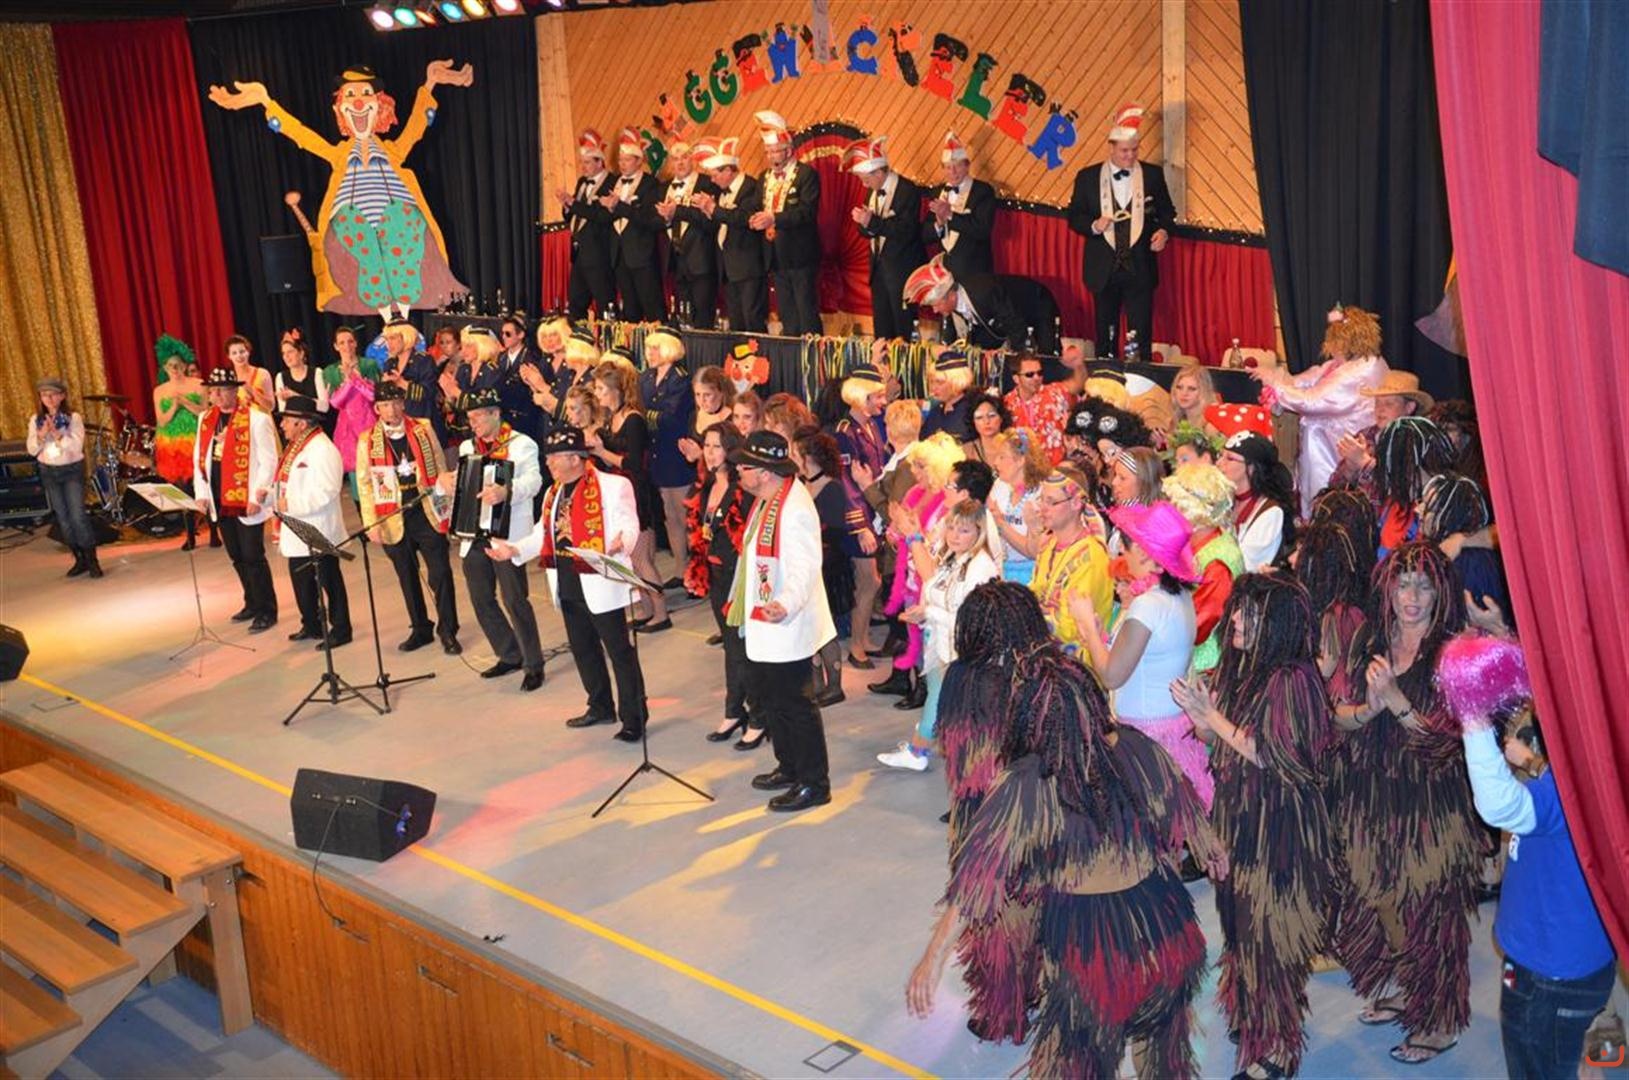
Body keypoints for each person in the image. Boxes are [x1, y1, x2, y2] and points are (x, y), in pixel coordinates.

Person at [909, 591, 1225, 1078]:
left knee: (1077, 1062)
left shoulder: (1027, 783)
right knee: (1164, 1062)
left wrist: (932, 959)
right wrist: (1214, 851)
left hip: (1093, 956)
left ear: (1029, 718)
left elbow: (975, 888)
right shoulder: (1136, 747)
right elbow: (1191, 818)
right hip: (1168, 934)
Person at [1171, 573, 1338, 1080]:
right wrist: (1203, 718)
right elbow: (1223, 741)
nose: (1237, 620)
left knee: (1271, 935)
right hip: (1241, 815)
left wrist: (1213, 718)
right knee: (1242, 926)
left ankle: (1279, 1048)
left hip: (1281, 827)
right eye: (1238, 609)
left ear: (1279, 623)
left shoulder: (1292, 679)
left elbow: (1271, 753)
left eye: (1251, 613)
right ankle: (1254, 1015)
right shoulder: (1244, 668)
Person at [1437, 634, 1618, 1080]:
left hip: (1548, 973)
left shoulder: (1570, 787)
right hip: (1577, 961)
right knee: (1565, 1053)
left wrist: (1474, 715)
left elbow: (1500, 805)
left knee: (1537, 1064)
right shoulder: (1601, 770)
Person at [1328, 542, 1480, 1066]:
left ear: (1441, 594)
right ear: (1387, 588)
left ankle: (1438, 1019)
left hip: (1431, 805)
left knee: (1431, 912)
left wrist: (1396, 701)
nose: (1411, 597)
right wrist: (1369, 710)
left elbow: (1448, 743)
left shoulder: (1453, 653)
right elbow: (1336, 714)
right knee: (1383, 902)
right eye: (1403, 584)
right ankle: (1408, 986)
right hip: (1372, 795)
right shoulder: (1369, 640)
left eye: (1424, 586)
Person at [495, 426, 650, 741]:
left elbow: (628, 522)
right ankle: (599, 705)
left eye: (555, 457)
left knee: (619, 651)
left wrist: (623, 541)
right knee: (583, 648)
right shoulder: (553, 493)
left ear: (576, 458)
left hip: (600, 581)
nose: (549, 463)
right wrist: (515, 550)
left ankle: (634, 717)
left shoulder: (613, 485)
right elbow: (542, 533)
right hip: (567, 580)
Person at [726, 431, 837, 812]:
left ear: (764, 472)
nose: (738, 472)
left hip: (787, 620)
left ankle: (814, 783)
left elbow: (806, 567)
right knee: (774, 701)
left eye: (744, 467)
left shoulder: (794, 508)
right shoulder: (768, 498)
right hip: (765, 619)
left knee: (795, 704)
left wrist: (785, 603)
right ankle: (788, 767)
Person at [1074, 501, 1204, 804]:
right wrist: (1098, 637)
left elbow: (1112, 676)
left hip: (1145, 740)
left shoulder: (1148, 605)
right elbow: (1145, 659)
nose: (1122, 552)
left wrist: (1088, 626)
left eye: (1127, 546)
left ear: (1144, 553)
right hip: (1172, 729)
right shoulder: (1178, 597)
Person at [877, 498, 1001, 772]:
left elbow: (971, 620)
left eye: (964, 530)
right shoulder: (953, 556)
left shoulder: (981, 568)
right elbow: (934, 585)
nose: (955, 535)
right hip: (940, 642)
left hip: (961, 651)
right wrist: (924, 612)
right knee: (938, 696)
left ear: (979, 532)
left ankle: (922, 752)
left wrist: (928, 613)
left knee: (951, 704)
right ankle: (924, 748)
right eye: (952, 528)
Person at [446, 387, 545, 691]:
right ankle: (509, 653)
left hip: (507, 534)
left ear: (495, 413)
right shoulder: (467, 447)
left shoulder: (521, 444)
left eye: (477, 416)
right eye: (469, 418)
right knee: (481, 599)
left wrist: (507, 491)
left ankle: (533, 664)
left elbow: (535, 480)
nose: (472, 423)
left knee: (515, 599)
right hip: (474, 533)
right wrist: (446, 483)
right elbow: (463, 482)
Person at [357, 382, 460, 655]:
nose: (391, 410)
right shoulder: (367, 440)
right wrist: (370, 523)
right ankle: (420, 628)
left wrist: (445, 509)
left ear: (403, 403)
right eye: (385, 405)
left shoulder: (423, 428)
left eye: (395, 403)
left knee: (440, 573)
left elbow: (440, 466)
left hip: (425, 510)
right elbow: (364, 483)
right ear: (377, 409)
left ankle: (448, 630)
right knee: (407, 576)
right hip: (392, 515)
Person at [1255, 304, 1388, 515]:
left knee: (1330, 496)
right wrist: (1277, 380)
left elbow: (1313, 401)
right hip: (1326, 441)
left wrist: (1276, 385)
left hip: (1336, 444)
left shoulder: (1361, 370)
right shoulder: (1342, 365)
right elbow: (1307, 380)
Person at [1068, 104, 1175, 360]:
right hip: (1103, 269)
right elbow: (1074, 217)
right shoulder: (1087, 177)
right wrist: (1094, 225)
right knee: (1105, 336)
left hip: (1140, 267)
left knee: (1141, 337)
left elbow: (1167, 212)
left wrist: (1163, 232)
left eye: (1134, 150)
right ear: (1111, 147)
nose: (1130, 156)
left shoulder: (1152, 175)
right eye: (1124, 151)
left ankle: (1141, 378)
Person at [871, 434, 963, 704]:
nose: (914, 471)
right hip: (911, 574)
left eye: (921, 466)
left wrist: (911, 532)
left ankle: (926, 690)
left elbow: (937, 543)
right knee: (912, 631)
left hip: (931, 576)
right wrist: (896, 531)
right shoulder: (914, 493)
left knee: (929, 637)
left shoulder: (947, 502)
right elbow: (897, 531)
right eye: (914, 465)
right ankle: (912, 682)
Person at [193, 367, 280, 630]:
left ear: (235, 391)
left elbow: (269, 460)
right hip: (219, 496)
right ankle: (251, 601)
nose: (217, 396)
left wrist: (258, 494)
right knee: (237, 556)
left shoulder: (256, 419)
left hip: (246, 497)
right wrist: (201, 493)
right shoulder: (205, 419)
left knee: (253, 555)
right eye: (213, 391)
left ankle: (267, 609)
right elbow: (199, 458)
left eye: (222, 391)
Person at [588, 352, 669, 631]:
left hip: (638, 494)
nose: (597, 394)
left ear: (616, 390)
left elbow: (635, 463)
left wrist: (602, 452)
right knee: (632, 560)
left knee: (641, 558)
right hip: (621, 494)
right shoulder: (612, 417)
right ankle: (647, 609)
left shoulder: (633, 419)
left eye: (601, 388)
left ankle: (661, 613)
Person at [690, 423, 753, 744]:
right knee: (731, 646)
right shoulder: (705, 486)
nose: (709, 452)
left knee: (744, 647)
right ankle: (734, 710)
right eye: (706, 446)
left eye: (716, 446)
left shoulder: (744, 489)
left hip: (739, 575)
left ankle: (759, 716)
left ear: (730, 448)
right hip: (715, 574)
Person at [272, 397, 351, 649]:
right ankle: (311, 623)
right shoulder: (296, 446)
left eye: (287, 420)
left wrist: (292, 504)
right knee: (302, 581)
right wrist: (270, 494)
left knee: (329, 580)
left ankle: (341, 628)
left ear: (302, 423)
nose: (282, 425)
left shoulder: (323, 449)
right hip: (296, 529)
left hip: (319, 528)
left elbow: (328, 490)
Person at [1163, 462, 1243, 675]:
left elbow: (1198, 626)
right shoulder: (1197, 545)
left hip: (1202, 669)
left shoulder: (1218, 561)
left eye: (1174, 505)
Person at [832, 369, 889, 667]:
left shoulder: (871, 425)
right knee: (869, 581)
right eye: (878, 396)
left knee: (870, 582)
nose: (883, 402)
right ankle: (856, 646)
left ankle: (862, 637)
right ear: (862, 396)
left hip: (872, 510)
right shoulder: (844, 432)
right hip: (858, 519)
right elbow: (846, 483)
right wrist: (861, 526)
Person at [748, 111, 822, 336]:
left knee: (806, 311)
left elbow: (806, 213)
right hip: (775, 255)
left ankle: (812, 352)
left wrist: (774, 218)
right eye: (768, 152)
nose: (771, 157)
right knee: (787, 314)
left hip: (800, 255)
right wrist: (751, 217)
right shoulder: (764, 177)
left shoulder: (806, 175)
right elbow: (755, 205)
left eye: (775, 151)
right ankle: (790, 353)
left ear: (789, 151)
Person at [848, 135, 927, 340]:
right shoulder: (873, 191)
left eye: (866, 180)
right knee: (882, 332)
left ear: (879, 171)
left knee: (904, 332)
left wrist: (871, 222)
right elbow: (869, 230)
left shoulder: (907, 190)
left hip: (902, 271)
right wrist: (864, 223)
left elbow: (906, 231)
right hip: (879, 272)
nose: (864, 185)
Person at [795, 429, 854, 708]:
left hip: (828, 569)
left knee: (824, 628)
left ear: (809, 457)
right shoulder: (800, 485)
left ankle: (834, 685)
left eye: (795, 454)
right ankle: (816, 681)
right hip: (809, 567)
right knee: (809, 626)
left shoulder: (832, 488)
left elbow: (835, 531)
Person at [1029, 467, 1114, 654]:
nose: (1042, 508)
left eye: (1051, 502)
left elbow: (1072, 627)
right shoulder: (1049, 544)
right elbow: (1035, 592)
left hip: (1078, 661)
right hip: (1046, 654)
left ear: (1076, 503)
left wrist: (1028, 613)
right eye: (1042, 499)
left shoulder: (1091, 555)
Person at [27, 377, 103, 579]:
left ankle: (92, 559)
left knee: (77, 515)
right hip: (49, 472)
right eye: (45, 395)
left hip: (71, 471)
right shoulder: (35, 420)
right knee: (63, 518)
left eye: (53, 394)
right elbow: (32, 450)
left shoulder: (73, 418)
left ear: (62, 396)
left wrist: (58, 435)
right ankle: (79, 558)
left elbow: (76, 447)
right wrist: (41, 435)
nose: (49, 399)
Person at [693, 138, 768, 332]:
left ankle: (759, 353)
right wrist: (708, 211)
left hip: (748, 266)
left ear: (728, 170)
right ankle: (739, 353)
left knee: (752, 320)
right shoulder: (721, 192)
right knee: (736, 323)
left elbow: (743, 218)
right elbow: (720, 223)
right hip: (728, 267)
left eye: (715, 175)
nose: (712, 180)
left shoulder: (751, 187)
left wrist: (713, 209)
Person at [640, 326, 695, 590]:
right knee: (669, 517)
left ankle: (696, 572)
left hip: (675, 454)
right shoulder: (646, 377)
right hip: (656, 453)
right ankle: (681, 568)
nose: (650, 353)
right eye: (649, 348)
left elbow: (671, 418)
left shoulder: (680, 380)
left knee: (683, 515)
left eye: (655, 348)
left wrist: (647, 416)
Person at [1328, 369, 1435, 499]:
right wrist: (1349, 469)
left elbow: (1410, 491)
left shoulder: (1420, 441)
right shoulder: (1364, 436)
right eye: (1377, 402)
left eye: (1389, 404)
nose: (1380, 409)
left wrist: (1364, 462)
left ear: (1409, 407)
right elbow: (1333, 488)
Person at [151, 335, 215, 551]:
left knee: (205, 484)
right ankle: (190, 535)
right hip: (173, 447)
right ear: (165, 368)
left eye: (178, 365)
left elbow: (205, 412)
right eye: (171, 366)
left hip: (197, 440)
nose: (175, 369)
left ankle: (214, 531)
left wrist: (184, 401)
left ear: (185, 365)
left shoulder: (198, 384)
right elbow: (162, 420)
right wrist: (173, 406)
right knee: (183, 490)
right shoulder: (160, 391)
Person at [600, 129, 664, 321]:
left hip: (641, 253)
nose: (622, 164)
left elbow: (648, 218)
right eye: (620, 160)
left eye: (627, 160)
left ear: (639, 161)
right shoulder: (614, 182)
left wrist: (619, 206)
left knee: (652, 305)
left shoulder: (650, 183)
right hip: (619, 253)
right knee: (629, 308)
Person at [904, 256, 1029, 353]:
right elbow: (951, 339)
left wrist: (1012, 358)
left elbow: (1016, 324)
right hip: (1003, 328)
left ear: (951, 296)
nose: (935, 311)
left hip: (1032, 310)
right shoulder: (951, 307)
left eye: (936, 305)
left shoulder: (984, 292)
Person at [658, 140, 720, 328]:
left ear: (692, 159)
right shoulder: (664, 187)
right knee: (684, 317)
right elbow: (655, 221)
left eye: (684, 157)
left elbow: (710, 221)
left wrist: (678, 211)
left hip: (701, 259)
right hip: (676, 261)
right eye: (675, 159)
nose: (680, 162)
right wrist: (666, 218)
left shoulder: (706, 183)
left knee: (703, 316)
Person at [921, 130, 996, 279]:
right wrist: (939, 224)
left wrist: (950, 215)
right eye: (948, 167)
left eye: (958, 166)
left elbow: (982, 230)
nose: (953, 172)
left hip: (975, 273)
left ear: (967, 166)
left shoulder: (982, 191)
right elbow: (925, 235)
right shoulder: (937, 192)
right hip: (945, 274)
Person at [559, 129, 617, 320]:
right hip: (579, 253)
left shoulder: (611, 182)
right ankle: (579, 336)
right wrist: (567, 206)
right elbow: (574, 215)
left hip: (599, 253)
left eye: (587, 162)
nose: (583, 167)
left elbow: (600, 216)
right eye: (582, 162)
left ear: (600, 162)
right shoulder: (582, 182)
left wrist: (574, 204)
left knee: (604, 304)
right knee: (576, 303)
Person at [1220, 431, 1297, 571]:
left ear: (1251, 468)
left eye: (1229, 459)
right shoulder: (1225, 502)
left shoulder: (1271, 513)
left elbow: (1246, 566)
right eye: (1220, 456)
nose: (1219, 463)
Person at [988, 428, 1049, 583]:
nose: (996, 463)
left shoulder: (1041, 494)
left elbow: (1033, 551)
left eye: (1002, 457)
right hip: (999, 570)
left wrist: (1001, 524)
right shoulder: (999, 485)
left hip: (1031, 574)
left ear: (1021, 460)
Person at [324, 330, 380, 485]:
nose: (346, 346)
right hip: (348, 430)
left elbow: (373, 396)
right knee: (357, 479)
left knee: (379, 474)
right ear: (336, 346)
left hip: (370, 424)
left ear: (355, 343)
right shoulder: (331, 371)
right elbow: (335, 402)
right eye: (341, 343)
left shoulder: (369, 365)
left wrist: (354, 379)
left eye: (350, 341)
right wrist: (349, 381)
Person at [1004, 352, 1072, 465]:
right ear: (1016, 378)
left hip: (1057, 468)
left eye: (1039, 373)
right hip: (1024, 469)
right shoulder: (1006, 404)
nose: (1036, 378)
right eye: (1030, 374)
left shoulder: (1055, 392)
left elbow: (1078, 383)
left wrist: (1079, 365)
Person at [918, 349, 975, 441]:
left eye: (940, 382)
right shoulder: (934, 411)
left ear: (956, 382)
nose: (933, 388)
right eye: (931, 382)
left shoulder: (971, 412)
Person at [274, 335, 330, 418]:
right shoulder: (280, 377)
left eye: (290, 352)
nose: (286, 356)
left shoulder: (316, 373)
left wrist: (296, 396)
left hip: (315, 422)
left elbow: (324, 407)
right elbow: (283, 411)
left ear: (301, 353)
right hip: (294, 423)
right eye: (283, 353)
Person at [224, 335, 275, 413]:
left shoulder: (262, 373)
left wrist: (252, 391)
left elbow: (271, 406)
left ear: (248, 352)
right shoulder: (228, 378)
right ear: (229, 356)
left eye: (242, 351)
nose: (239, 356)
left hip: (262, 418)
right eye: (234, 353)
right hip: (240, 420)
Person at [961, 393, 1009, 464]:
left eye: (991, 416)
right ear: (973, 422)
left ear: (1001, 418)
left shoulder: (1014, 445)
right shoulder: (966, 451)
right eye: (979, 417)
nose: (986, 421)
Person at [1170, 363, 1219, 430]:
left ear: (1204, 391)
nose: (1184, 393)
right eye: (1179, 387)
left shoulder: (1211, 425)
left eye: (1192, 389)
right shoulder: (1175, 420)